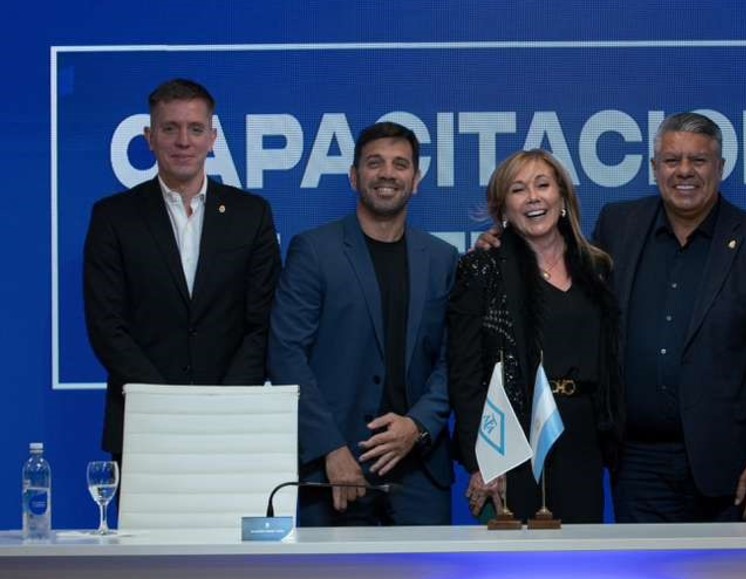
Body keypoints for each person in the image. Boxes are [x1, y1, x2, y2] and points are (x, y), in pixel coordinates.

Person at [592, 112, 746, 522]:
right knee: (642, 566)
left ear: (720, 168)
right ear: (655, 168)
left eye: (698, 160)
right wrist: (504, 245)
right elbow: (565, 281)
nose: (684, 171)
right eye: (672, 160)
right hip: (637, 464)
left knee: (733, 568)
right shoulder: (617, 225)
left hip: (731, 467)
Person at [268, 122, 457, 526]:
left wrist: (418, 424)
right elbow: (286, 355)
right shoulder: (314, 251)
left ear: (416, 180)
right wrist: (329, 447)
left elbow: (454, 357)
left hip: (420, 471)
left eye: (400, 164)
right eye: (375, 163)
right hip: (336, 468)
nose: (387, 173)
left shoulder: (443, 259)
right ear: (354, 177)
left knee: (428, 570)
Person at [83, 78, 281, 459]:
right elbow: (107, 327)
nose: (183, 141)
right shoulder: (113, 217)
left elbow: (264, 323)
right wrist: (166, 405)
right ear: (149, 138)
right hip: (144, 421)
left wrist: (220, 406)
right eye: (170, 128)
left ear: (213, 138)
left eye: (195, 129)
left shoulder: (251, 215)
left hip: (233, 422)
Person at [448, 149, 623, 523]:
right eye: (518, 190)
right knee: (514, 556)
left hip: (583, 436)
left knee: (583, 553)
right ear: (503, 209)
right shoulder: (482, 268)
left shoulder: (598, 267)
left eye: (542, 185)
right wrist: (483, 461)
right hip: (512, 439)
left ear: (562, 197)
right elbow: (465, 375)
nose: (533, 198)